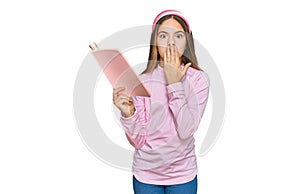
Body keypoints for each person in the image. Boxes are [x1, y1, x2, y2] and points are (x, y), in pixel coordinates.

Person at [113, 10, 210, 194]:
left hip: (183, 175)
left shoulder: (199, 79)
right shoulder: (142, 81)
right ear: (155, 42)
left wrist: (174, 83)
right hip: (146, 175)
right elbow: (138, 141)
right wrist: (129, 114)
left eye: (178, 36)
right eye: (163, 36)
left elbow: (186, 130)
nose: (171, 42)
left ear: (187, 41)